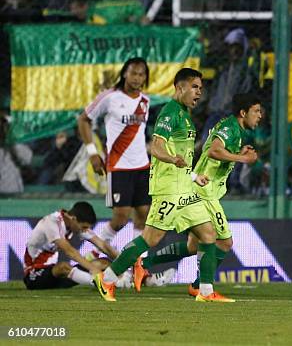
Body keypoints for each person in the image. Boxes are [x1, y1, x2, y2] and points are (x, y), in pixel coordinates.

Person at [93, 68, 232, 303]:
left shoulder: (184, 115)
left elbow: (182, 155)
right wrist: (171, 159)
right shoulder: (170, 114)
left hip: (185, 190)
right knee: (150, 239)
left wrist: (192, 176)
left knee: (208, 235)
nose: (199, 92)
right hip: (168, 190)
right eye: (195, 87)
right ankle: (107, 278)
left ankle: (206, 292)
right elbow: (157, 146)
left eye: (201, 87)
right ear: (180, 88)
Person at [132, 93, 262, 296]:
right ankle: (201, 286)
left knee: (193, 246)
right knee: (225, 242)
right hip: (205, 192)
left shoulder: (233, 128)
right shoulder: (230, 128)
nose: (260, 115)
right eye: (256, 111)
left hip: (203, 189)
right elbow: (214, 152)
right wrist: (243, 159)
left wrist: (239, 152)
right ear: (243, 112)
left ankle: (145, 262)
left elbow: (217, 149)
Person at [78, 58, 152, 254]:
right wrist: (93, 154)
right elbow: (83, 119)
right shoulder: (109, 97)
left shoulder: (145, 101)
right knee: (120, 217)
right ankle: (94, 252)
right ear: (124, 74)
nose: (137, 78)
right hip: (119, 166)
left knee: (144, 215)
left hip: (142, 166)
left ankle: (139, 263)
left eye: (141, 74)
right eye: (133, 73)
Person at [23, 201, 119, 290]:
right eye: (84, 227)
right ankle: (101, 284)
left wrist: (126, 264)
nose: (85, 230)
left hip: (56, 276)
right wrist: (94, 269)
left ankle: (119, 282)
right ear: (73, 219)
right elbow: (70, 251)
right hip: (34, 276)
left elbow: (102, 245)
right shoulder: (52, 222)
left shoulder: (74, 224)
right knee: (63, 267)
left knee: (103, 262)